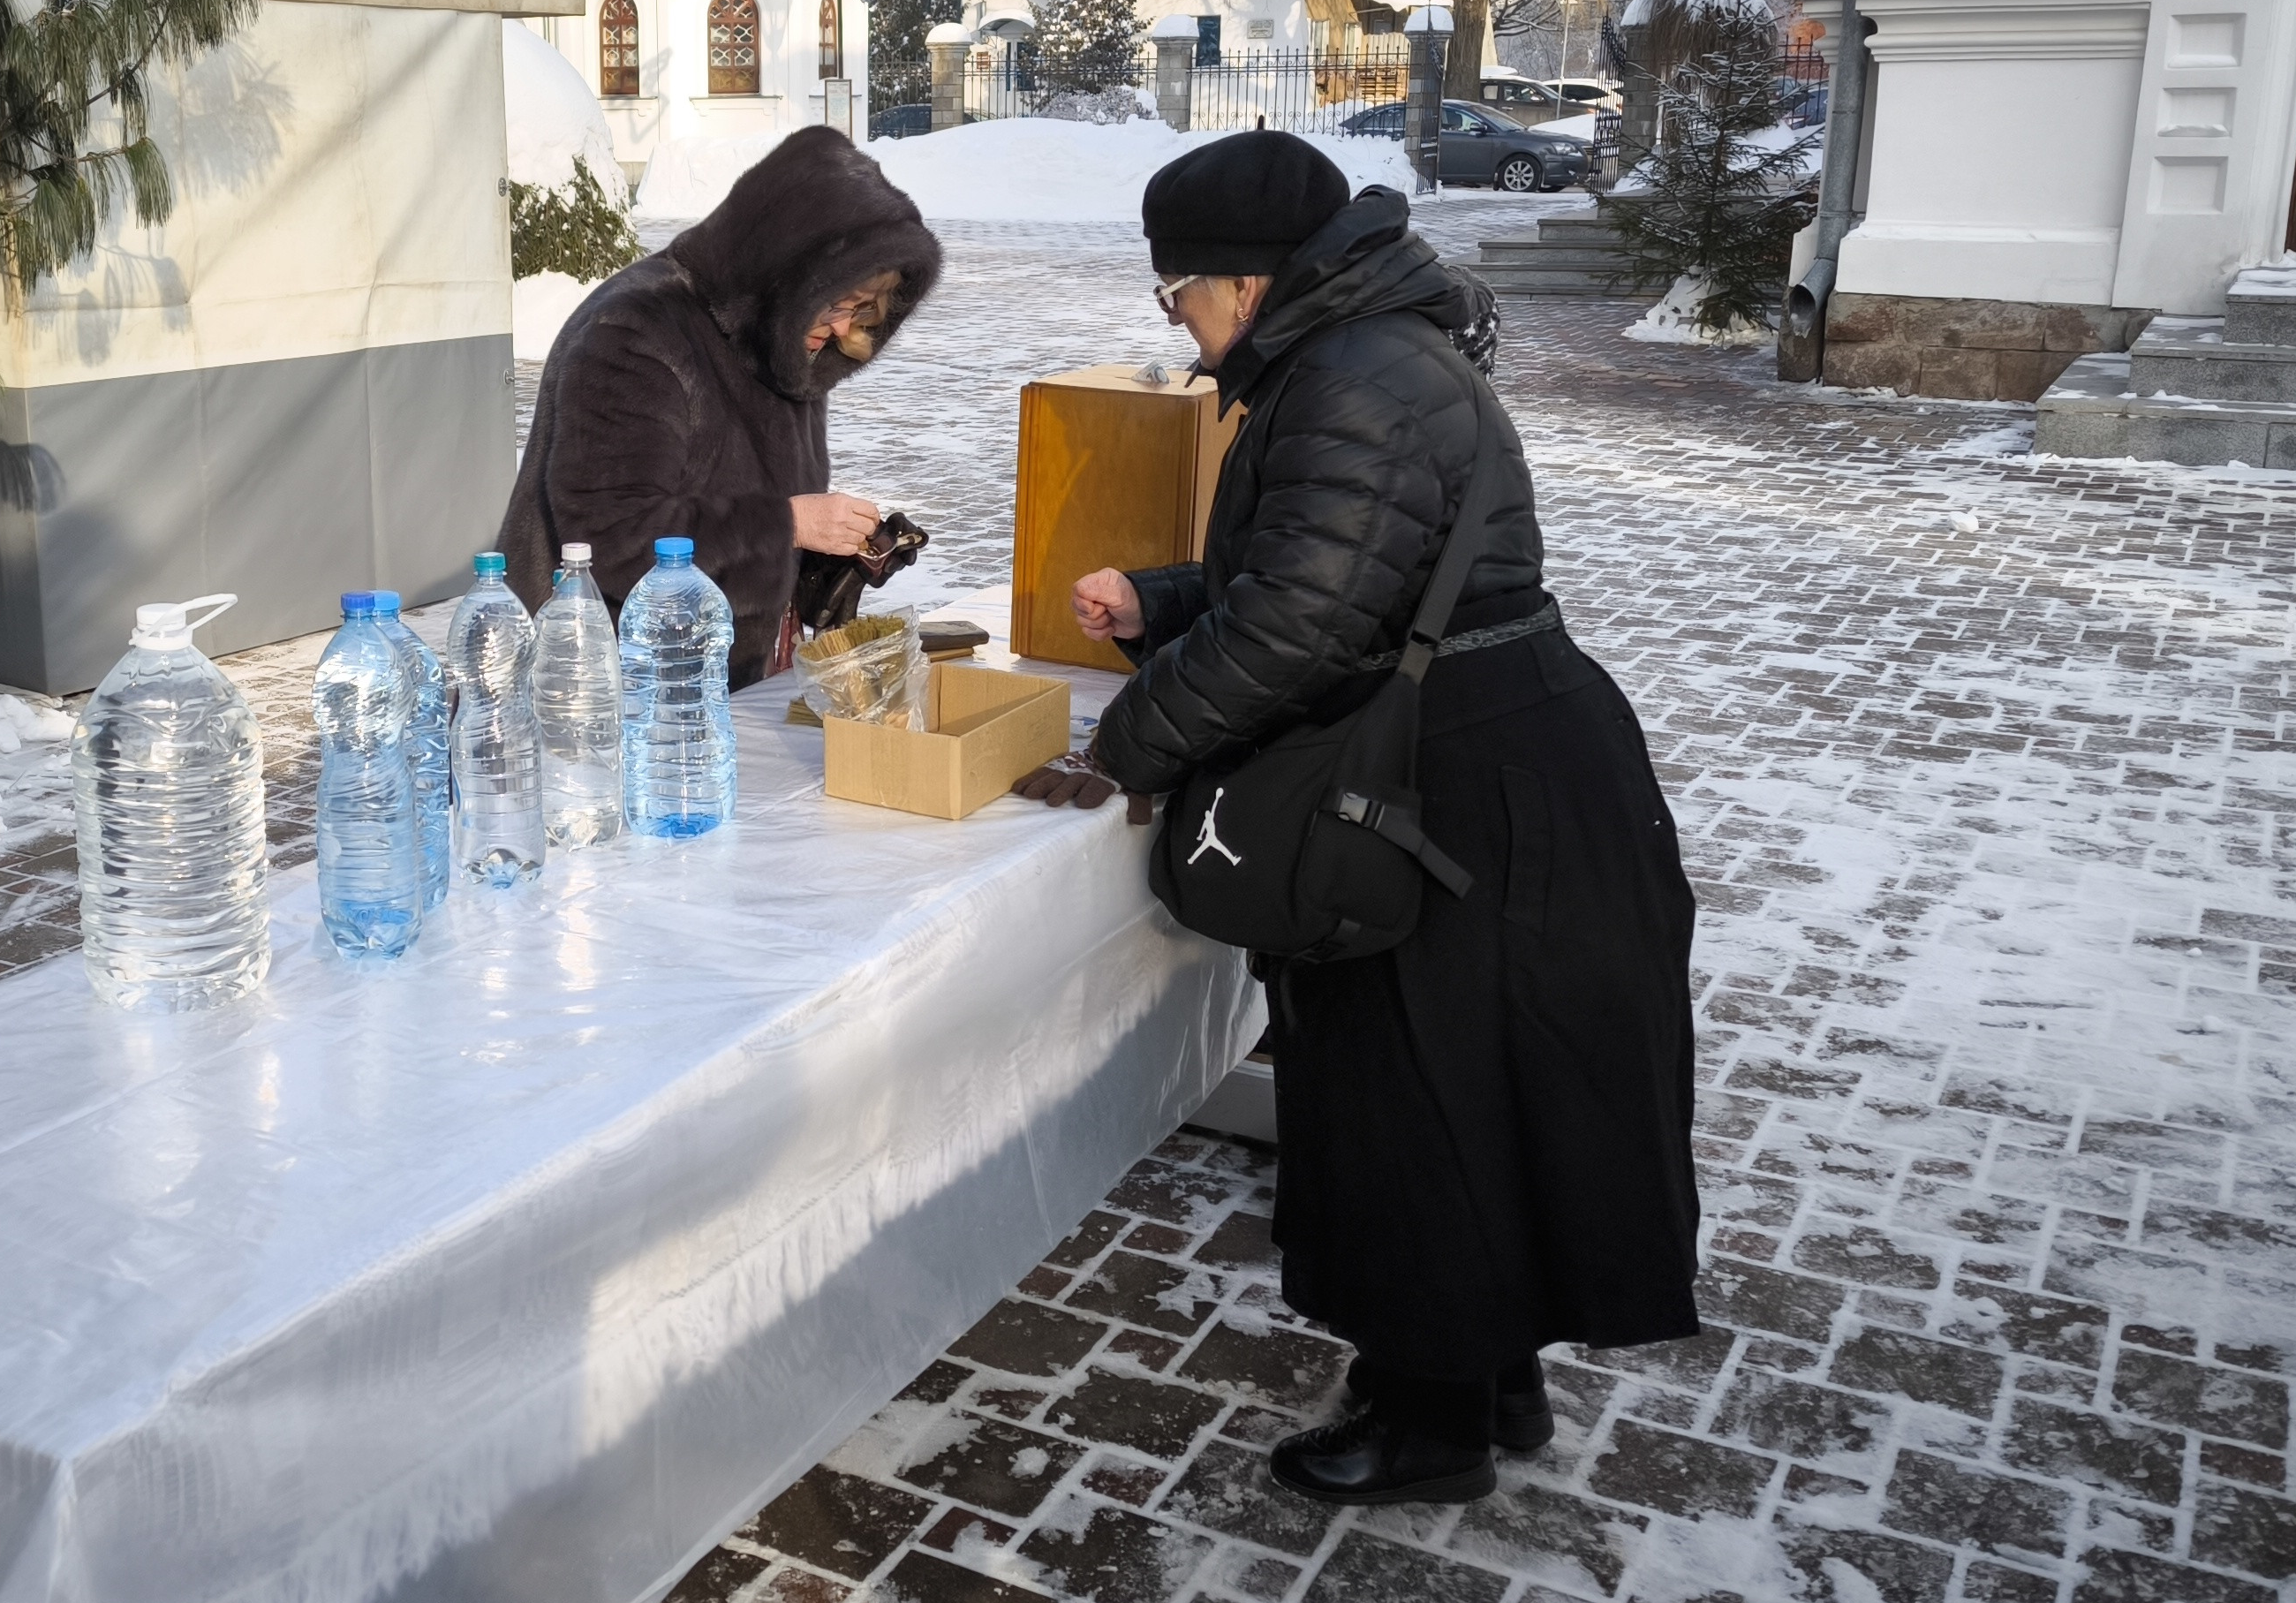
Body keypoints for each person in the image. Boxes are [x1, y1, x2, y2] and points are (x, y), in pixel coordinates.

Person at [1022, 131, 1701, 1507]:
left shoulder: (1349, 378)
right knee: (1484, 1093)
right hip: (1483, 756)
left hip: (1447, 780)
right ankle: (1486, 1382)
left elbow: (1305, 625)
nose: (1186, 334)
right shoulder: (1365, 354)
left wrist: (1131, 745)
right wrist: (1164, 603)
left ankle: (1429, 1421)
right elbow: (1341, 575)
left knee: (1418, 1096)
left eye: (1181, 298)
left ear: (1248, 282)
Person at [499, 126, 940, 684]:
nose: (842, 330)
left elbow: (745, 511)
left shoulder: (779, 344)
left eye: (862, 312)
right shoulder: (636, 331)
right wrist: (789, 525)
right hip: (599, 692)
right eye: (834, 303)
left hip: (704, 689)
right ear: (784, 270)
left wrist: (837, 557)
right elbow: (610, 541)